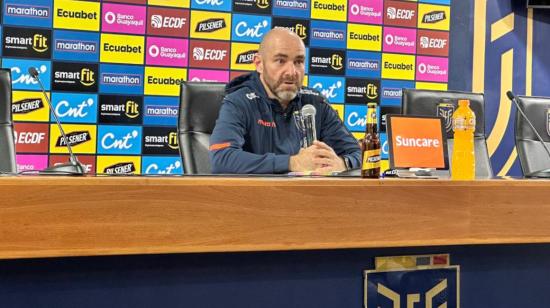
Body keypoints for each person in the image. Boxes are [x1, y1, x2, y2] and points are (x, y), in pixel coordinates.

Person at [209, 28, 361, 174]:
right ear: (259, 64)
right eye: (281, 61)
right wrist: (292, 163)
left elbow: (361, 154)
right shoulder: (239, 101)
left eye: (298, 62)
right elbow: (221, 158)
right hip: (255, 197)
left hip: (307, 197)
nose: (291, 72)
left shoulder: (315, 102)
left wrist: (342, 163)